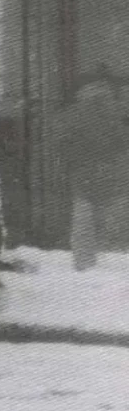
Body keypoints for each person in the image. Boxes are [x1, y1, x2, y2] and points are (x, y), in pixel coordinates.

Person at [57, 74, 129, 270]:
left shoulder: (73, 115)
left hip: (86, 177)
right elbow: (122, 143)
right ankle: (108, 261)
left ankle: (85, 264)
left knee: (85, 221)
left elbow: (65, 147)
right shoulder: (113, 113)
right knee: (105, 220)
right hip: (106, 176)